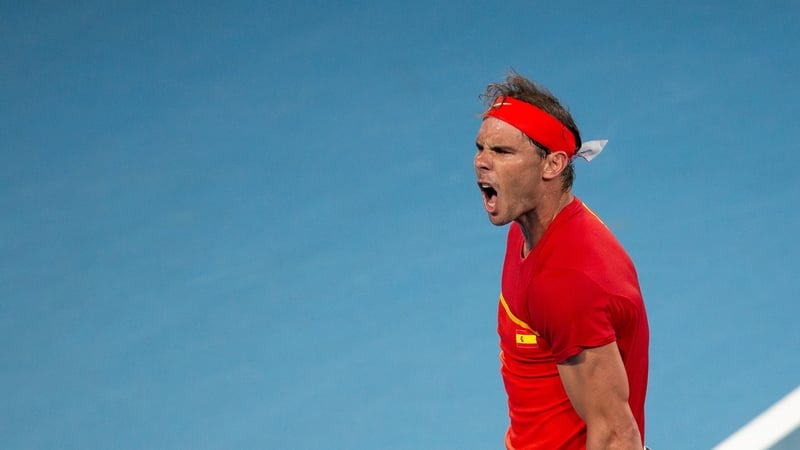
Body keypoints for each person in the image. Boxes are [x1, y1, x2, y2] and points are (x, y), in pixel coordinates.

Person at [474, 72, 650, 450]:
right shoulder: (529, 231)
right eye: (481, 148)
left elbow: (617, 436)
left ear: (551, 165)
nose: (481, 163)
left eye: (502, 152)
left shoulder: (567, 281)